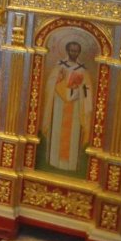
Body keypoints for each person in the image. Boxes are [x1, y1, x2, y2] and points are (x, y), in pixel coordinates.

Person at [43, 40, 93, 172]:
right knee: (57, 131)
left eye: (76, 51)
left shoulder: (82, 69)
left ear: (79, 52)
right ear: (67, 50)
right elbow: (50, 83)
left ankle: (70, 165)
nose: (74, 53)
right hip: (59, 103)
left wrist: (80, 88)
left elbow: (87, 89)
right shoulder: (60, 66)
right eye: (71, 50)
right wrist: (58, 80)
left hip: (76, 105)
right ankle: (54, 161)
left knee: (73, 134)